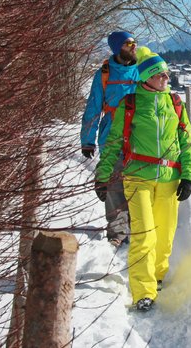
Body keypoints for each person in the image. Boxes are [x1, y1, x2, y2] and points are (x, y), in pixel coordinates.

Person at [95, 47, 191, 312]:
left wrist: (188, 176)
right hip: (136, 178)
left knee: (164, 236)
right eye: (160, 74)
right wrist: (103, 176)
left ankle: (158, 274)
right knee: (143, 235)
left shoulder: (175, 103)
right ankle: (143, 291)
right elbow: (114, 143)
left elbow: (187, 142)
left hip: (169, 180)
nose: (166, 77)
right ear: (146, 78)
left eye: (166, 73)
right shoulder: (130, 104)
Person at [81, 31, 139, 247]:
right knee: (115, 184)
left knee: (137, 181)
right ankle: (117, 232)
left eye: (134, 43)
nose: (134, 47)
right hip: (110, 134)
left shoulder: (142, 70)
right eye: (128, 44)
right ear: (117, 48)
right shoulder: (104, 73)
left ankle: (137, 227)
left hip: (138, 135)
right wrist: (87, 139)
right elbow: (93, 107)